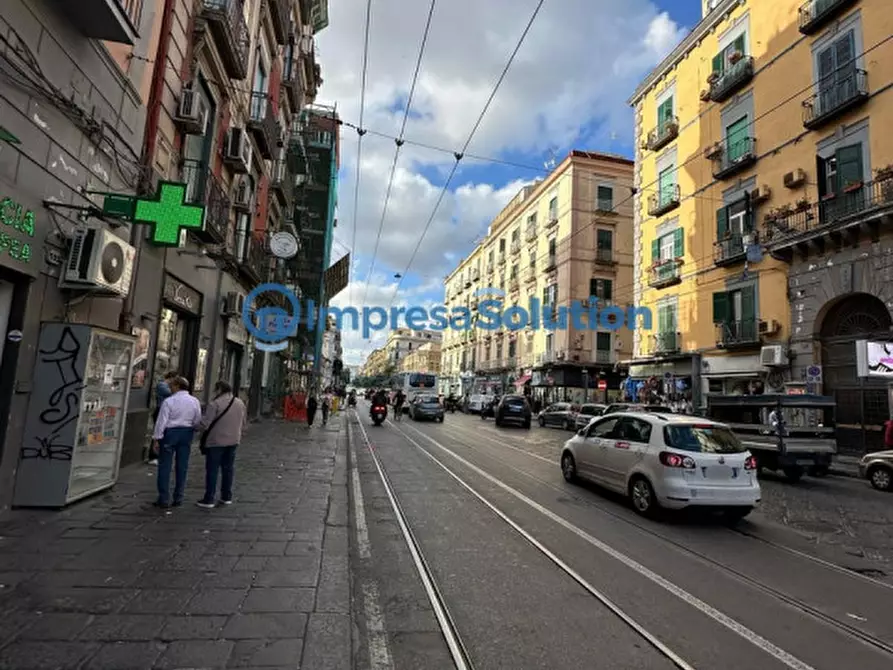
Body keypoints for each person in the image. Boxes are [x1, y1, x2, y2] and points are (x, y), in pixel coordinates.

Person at [153, 377, 202, 508]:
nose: (170, 388)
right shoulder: (194, 401)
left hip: (170, 433)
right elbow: (197, 420)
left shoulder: (169, 401)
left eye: (172, 385)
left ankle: (163, 498)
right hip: (186, 433)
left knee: (165, 466)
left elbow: (161, 421)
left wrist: (157, 438)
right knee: (182, 466)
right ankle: (178, 497)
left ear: (177, 386)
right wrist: (194, 429)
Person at [197, 381, 247, 508]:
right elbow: (243, 421)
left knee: (212, 470)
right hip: (234, 440)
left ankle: (209, 498)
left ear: (219, 389)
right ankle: (226, 497)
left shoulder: (215, 404)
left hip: (216, 441)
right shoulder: (240, 403)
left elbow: (206, 424)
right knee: (228, 469)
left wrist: (194, 425)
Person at [149, 371, 178, 465]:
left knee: (164, 434)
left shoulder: (168, 386)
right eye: (175, 380)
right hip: (160, 410)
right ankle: (153, 456)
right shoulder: (162, 385)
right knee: (157, 432)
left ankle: (160, 455)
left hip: (166, 411)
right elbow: (171, 393)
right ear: (171, 378)